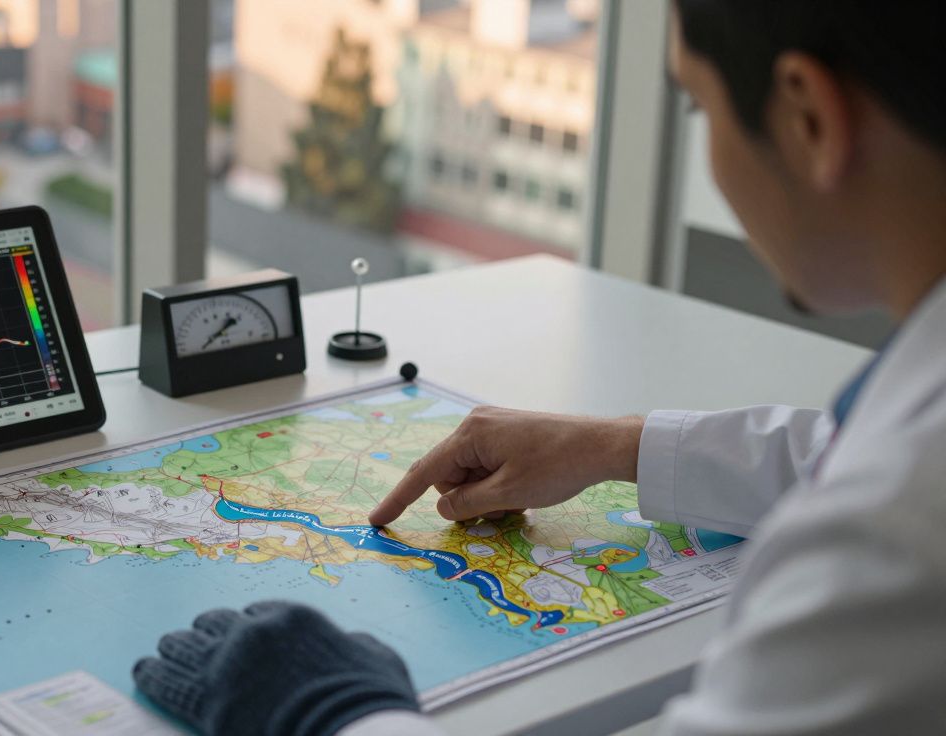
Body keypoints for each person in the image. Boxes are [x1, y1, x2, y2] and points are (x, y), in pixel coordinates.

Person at [131, 0, 946, 733]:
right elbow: (840, 458)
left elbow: (889, 491)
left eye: (697, 107)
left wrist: (334, 710)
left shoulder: (899, 531)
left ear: (809, 116)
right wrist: (610, 445)